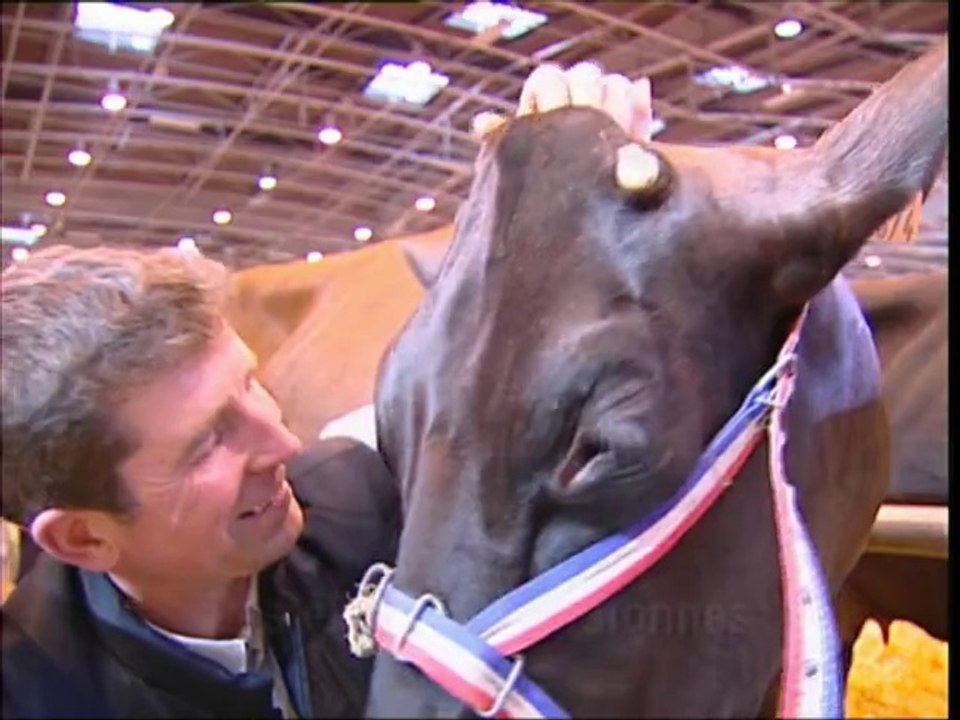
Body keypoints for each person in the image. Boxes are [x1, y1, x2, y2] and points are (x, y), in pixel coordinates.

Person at [1, 63, 654, 718]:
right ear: (84, 539)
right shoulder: (32, 694)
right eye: (207, 443)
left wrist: (567, 210)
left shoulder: (353, 496)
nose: (284, 443)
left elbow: (489, 411)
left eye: (250, 384)